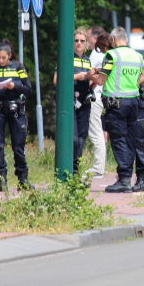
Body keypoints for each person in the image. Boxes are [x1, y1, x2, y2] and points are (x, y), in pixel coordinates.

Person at [93, 27, 144, 193]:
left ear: (112, 38)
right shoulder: (137, 56)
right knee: (132, 140)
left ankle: (124, 179)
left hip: (116, 104)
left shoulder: (112, 55)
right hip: (134, 102)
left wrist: (91, 76)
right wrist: (131, 86)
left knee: (118, 141)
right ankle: (133, 178)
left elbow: (101, 80)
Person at [0, 39, 33, 192]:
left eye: (3, 58)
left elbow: (28, 88)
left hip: (15, 110)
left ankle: (22, 179)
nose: (1, 60)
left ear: (9, 56)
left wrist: (14, 86)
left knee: (18, 145)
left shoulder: (18, 67)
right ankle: (1, 179)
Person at [53, 27, 94, 175]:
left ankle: (75, 171)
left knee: (82, 137)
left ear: (86, 43)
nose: (78, 43)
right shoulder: (66, 58)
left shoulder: (88, 60)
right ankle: (68, 168)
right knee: (74, 138)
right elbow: (57, 81)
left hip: (84, 101)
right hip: (69, 101)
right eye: (76, 40)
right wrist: (77, 77)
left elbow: (90, 83)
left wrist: (92, 78)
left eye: (82, 41)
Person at [86, 26, 107, 177]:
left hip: (96, 96)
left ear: (95, 39)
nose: (86, 42)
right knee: (97, 131)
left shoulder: (97, 54)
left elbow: (96, 78)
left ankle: (98, 168)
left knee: (95, 132)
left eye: (87, 39)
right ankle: (99, 166)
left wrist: (87, 76)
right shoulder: (99, 54)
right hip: (99, 96)